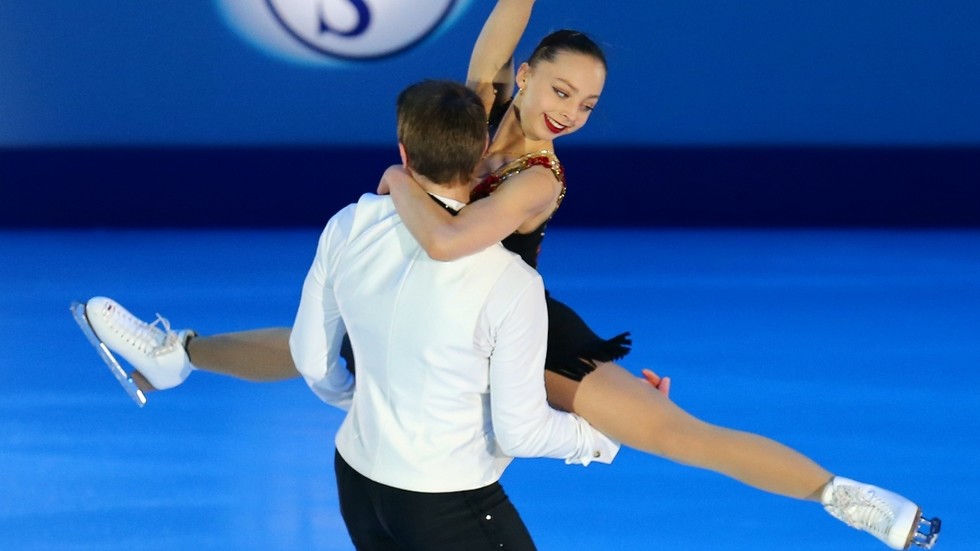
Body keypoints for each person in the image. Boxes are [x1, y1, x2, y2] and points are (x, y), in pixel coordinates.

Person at [75, 1, 940, 549]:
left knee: (673, 430)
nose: (569, 112)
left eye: (587, 105)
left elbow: (456, 239)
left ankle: (843, 495)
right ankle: (175, 353)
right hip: (434, 300)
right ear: (523, 74)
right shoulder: (477, 104)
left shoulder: (537, 177)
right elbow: (506, 12)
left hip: (510, 322)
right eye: (560, 89)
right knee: (316, 342)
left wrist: (394, 183)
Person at [93, 79, 620, 550]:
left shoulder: (349, 225)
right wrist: (597, 439)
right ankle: (178, 354)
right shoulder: (512, 283)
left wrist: (357, 399)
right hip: (444, 504)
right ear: (483, 150)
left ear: (403, 152)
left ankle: (177, 354)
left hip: (359, 483)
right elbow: (520, 432)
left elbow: (309, 355)